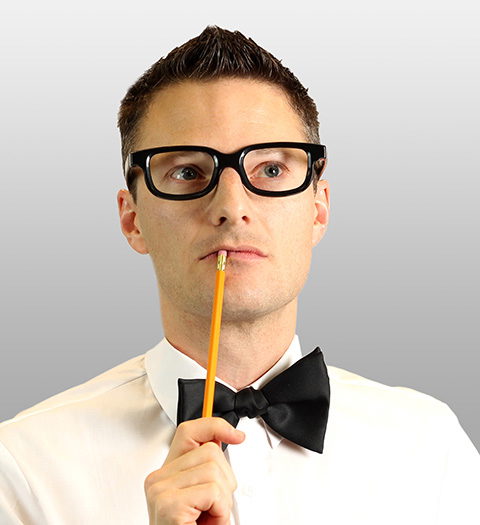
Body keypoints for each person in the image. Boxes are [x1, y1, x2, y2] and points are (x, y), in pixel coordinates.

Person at [0, 25, 479, 525]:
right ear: (132, 219)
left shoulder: (431, 447)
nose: (231, 206)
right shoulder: (25, 467)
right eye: (187, 172)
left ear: (318, 209)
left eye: (271, 169)